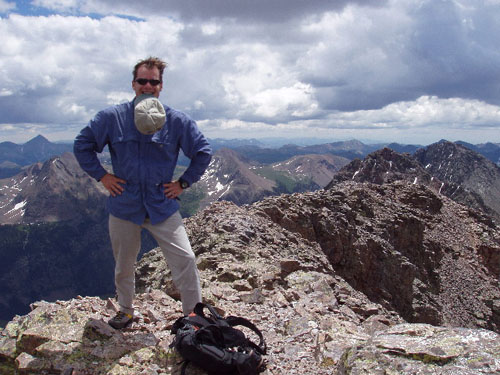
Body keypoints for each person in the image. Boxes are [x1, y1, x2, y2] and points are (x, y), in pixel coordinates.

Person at [74, 56, 212, 329]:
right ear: (133, 84)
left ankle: (193, 318)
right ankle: (125, 311)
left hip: (162, 203)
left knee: (185, 258)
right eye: (142, 80)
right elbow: (82, 145)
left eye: (154, 81)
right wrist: (102, 176)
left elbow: (202, 152)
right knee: (124, 264)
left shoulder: (176, 121)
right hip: (125, 203)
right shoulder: (112, 118)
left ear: (161, 86)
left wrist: (182, 183)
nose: (148, 86)